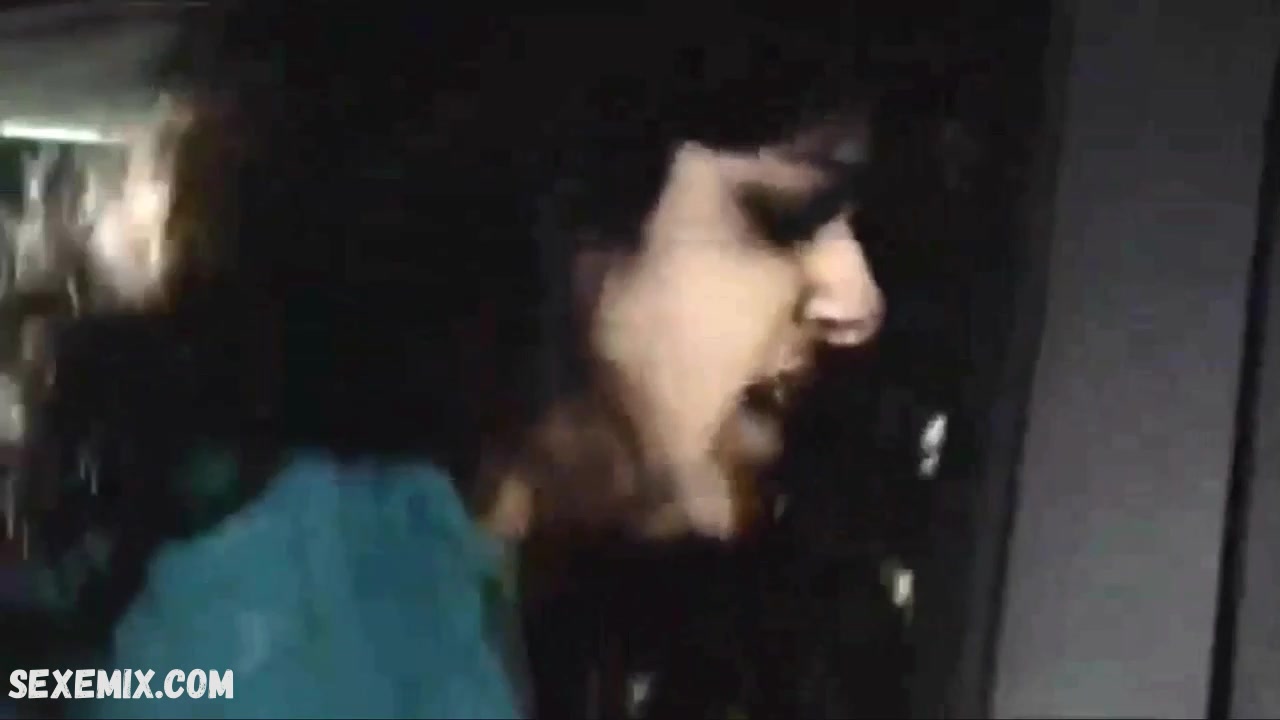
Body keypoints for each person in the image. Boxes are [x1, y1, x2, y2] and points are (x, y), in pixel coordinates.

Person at [10, 5, 886, 718]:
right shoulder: (328, 633)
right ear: (548, 209)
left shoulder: (307, 552)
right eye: (783, 215)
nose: (856, 297)